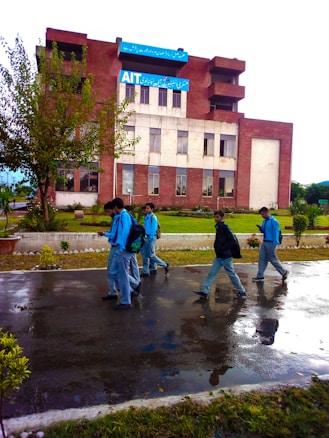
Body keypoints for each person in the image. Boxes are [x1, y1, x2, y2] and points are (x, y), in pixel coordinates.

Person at [193, 210, 246, 299]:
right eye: (215, 216)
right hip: (219, 256)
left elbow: (232, 241)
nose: (215, 218)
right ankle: (204, 291)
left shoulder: (225, 227)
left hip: (225, 256)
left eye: (217, 217)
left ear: (222, 217)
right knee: (212, 273)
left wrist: (223, 248)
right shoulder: (218, 227)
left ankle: (242, 291)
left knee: (231, 274)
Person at [107, 197, 134, 309]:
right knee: (113, 273)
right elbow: (118, 234)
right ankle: (130, 291)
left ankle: (126, 301)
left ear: (116, 207)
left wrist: (122, 249)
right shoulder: (120, 216)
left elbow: (125, 234)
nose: (113, 211)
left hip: (123, 250)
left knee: (122, 276)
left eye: (113, 209)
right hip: (120, 249)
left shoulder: (125, 216)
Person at [252, 206, 288, 282]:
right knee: (262, 258)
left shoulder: (274, 221)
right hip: (265, 241)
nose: (262, 216)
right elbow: (263, 231)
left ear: (267, 212)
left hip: (271, 242)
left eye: (263, 214)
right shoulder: (265, 221)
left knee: (272, 259)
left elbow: (276, 233)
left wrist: (275, 243)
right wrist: (260, 228)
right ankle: (260, 275)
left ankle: (283, 272)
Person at [98, 201, 120, 300]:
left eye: (108, 211)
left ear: (114, 209)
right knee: (112, 271)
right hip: (114, 246)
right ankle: (112, 291)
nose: (108, 214)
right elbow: (113, 233)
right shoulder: (116, 219)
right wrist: (107, 232)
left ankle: (134, 285)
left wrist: (105, 234)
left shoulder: (119, 219)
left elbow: (116, 234)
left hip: (118, 247)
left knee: (114, 271)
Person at [141, 202, 169, 277]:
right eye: (146, 208)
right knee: (145, 255)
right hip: (145, 237)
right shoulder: (146, 217)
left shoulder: (153, 217)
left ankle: (165, 264)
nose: (146, 209)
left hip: (150, 238)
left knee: (151, 255)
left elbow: (153, 230)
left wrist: (149, 239)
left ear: (152, 209)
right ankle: (147, 271)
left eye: (148, 208)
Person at [125, 205, 141, 296]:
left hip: (132, 244)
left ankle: (136, 280)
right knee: (133, 263)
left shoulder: (131, 219)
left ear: (130, 211)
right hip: (132, 243)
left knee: (133, 262)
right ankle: (136, 279)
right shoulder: (131, 218)